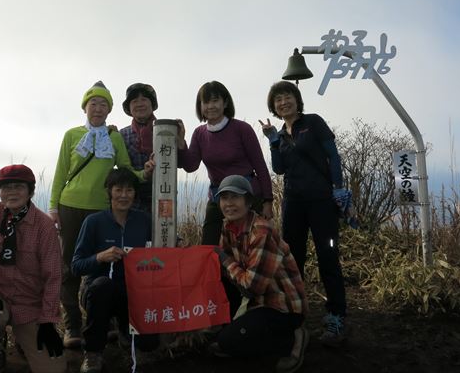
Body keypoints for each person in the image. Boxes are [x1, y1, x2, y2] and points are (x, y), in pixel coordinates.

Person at [49, 81, 154, 349]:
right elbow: (61, 172)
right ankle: (72, 325)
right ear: (85, 107)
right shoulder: (72, 135)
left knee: (99, 266)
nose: (98, 108)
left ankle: (101, 321)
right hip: (70, 205)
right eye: (93, 103)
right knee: (69, 268)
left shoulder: (114, 137)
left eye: (103, 104)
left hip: (100, 210)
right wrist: (53, 207)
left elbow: (126, 169)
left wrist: (145, 172)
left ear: (109, 110)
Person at [261, 80, 349, 345]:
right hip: (294, 203)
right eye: (278, 99)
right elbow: (279, 169)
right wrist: (273, 141)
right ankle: (295, 313)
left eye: (287, 96)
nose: (283, 102)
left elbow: (333, 156)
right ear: (274, 106)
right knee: (293, 259)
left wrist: (338, 188)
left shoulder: (313, 122)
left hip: (322, 201)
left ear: (297, 99)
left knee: (328, 256)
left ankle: (336, 316)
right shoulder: (281, 135)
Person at [0, 164, 66, 373]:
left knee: (53, 369)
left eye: (19, 187)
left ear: (30, 191)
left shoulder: (44, 226)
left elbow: (53, 276)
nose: (12, 192)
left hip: (29, 304)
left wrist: (48, 321)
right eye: (6, 187)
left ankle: (23, 338)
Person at [211, 175, 308, 373]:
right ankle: (241, 334)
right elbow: (225, 269)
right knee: (222, 338)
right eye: (224, 198)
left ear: (248, 202)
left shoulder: (261, 232)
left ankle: (293, 339)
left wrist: (224, 259)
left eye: (235, 197)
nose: (229, 204)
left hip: (282, 307)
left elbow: (252, 287)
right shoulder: (228, 226)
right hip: (256, 302)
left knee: (228, 341)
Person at [71, 168, 159, 373]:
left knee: (149, 344)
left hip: (133, 292)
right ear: (109, 192)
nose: (123, 195)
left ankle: (125, 331)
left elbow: (160, 252)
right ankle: (93, 352)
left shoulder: (144, 220)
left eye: (129, 190)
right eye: (118, 190)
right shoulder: (93, 222)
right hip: (97, 292)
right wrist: (100, 257)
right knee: (103, 286)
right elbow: (76, 266)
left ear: (135, 194)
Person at [177, 80, 274, 245]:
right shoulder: (199, 134)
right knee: (209, 246)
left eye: (215, 101)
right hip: (218, 196)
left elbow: (260, 165)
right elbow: (191, 166)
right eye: (205, 102)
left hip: (248, 196)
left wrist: (268, 201)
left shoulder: (242, 129)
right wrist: (181, 142)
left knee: (254, 243)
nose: (210, 106)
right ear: (200, 106)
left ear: (225, 103)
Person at [119, 82, 158, 216]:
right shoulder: (122, 135)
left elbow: (183, 162)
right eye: (135, 101)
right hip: (132, 200)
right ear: (129, 108)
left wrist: (181, 141)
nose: (140, 104)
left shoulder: (166, 131)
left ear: (152, 104)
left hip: (163, 195)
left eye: (144, 99)